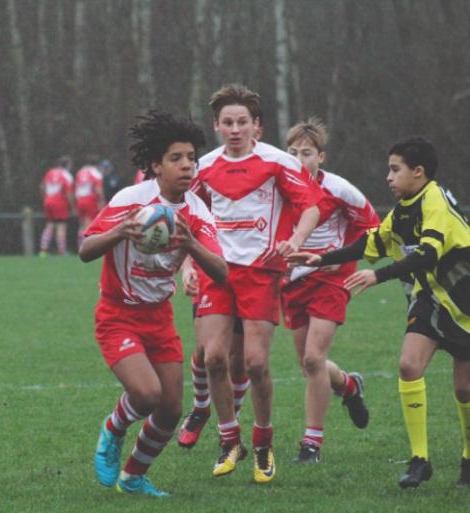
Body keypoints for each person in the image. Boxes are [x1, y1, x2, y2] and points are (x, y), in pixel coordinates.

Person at [288, 136, 470, 488]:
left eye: (394, 169)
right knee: (408, 365)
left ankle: (467, 458)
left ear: (418, 173)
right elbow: (370, 243)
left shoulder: (434, 200)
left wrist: (378, 274)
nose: (388, 177)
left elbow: (427, 254)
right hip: (430, 299)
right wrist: (321, 258)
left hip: (464, 301)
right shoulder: (403, 208)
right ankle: (420, 460)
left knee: (465, 391)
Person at [178, 83, 324, 483]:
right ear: (217, 125)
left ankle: (263, 443)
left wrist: (294, 241)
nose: (236, 128)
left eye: (243, 121)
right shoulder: (204, 167)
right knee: (213, 358)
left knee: (257, 364)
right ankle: (230, 440)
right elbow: (190, 217)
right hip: (217, 270)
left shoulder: (277, 162)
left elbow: (311, 207)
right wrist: (188, 265)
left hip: (261, 272)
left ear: (256, 126)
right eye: (228, 122)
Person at [81, 110, 228, 497]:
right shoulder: (131, 200)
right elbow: (84, 249)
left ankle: (132, 477)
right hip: (118, 315)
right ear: (155, 165)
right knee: (146, 395)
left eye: (191, 158)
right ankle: (113, 429)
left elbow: (223, 272)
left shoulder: (196, 212)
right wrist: (119, 231)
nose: (186, 166)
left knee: (171, 409)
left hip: (159, 319)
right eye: (176, 158)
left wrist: (191, 244)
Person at [281, 118, 379, 463]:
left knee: (312, 358)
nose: (297, 158)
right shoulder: (278, 185)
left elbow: (375, 228)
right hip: (291, 282)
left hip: (329, 279)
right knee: (310, 365)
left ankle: (311, 445)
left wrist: (343, 261)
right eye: (291, 151)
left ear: (321, 157)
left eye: (306, 152)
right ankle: (349, 385)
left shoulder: (339, 188)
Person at [39, 156, 74, 255]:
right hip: (59, 202)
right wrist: (72, 206)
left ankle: (43, 250)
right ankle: (62, 251)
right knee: (61, 226)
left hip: (48, 201)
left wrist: (45, 198)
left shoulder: (50, 172)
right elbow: (69, 194)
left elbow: (42, 186)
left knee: (49, 225)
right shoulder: (67, 175)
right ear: (68, 165)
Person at [74, 155, 104, 249]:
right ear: (97, 164)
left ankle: (80, 246)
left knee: (81, 224)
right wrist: (102, 200)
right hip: (90, 199)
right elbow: (98, 189)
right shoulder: (96, 173)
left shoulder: (80, 171)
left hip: (79, 199)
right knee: (89, 223)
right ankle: (86, 247)